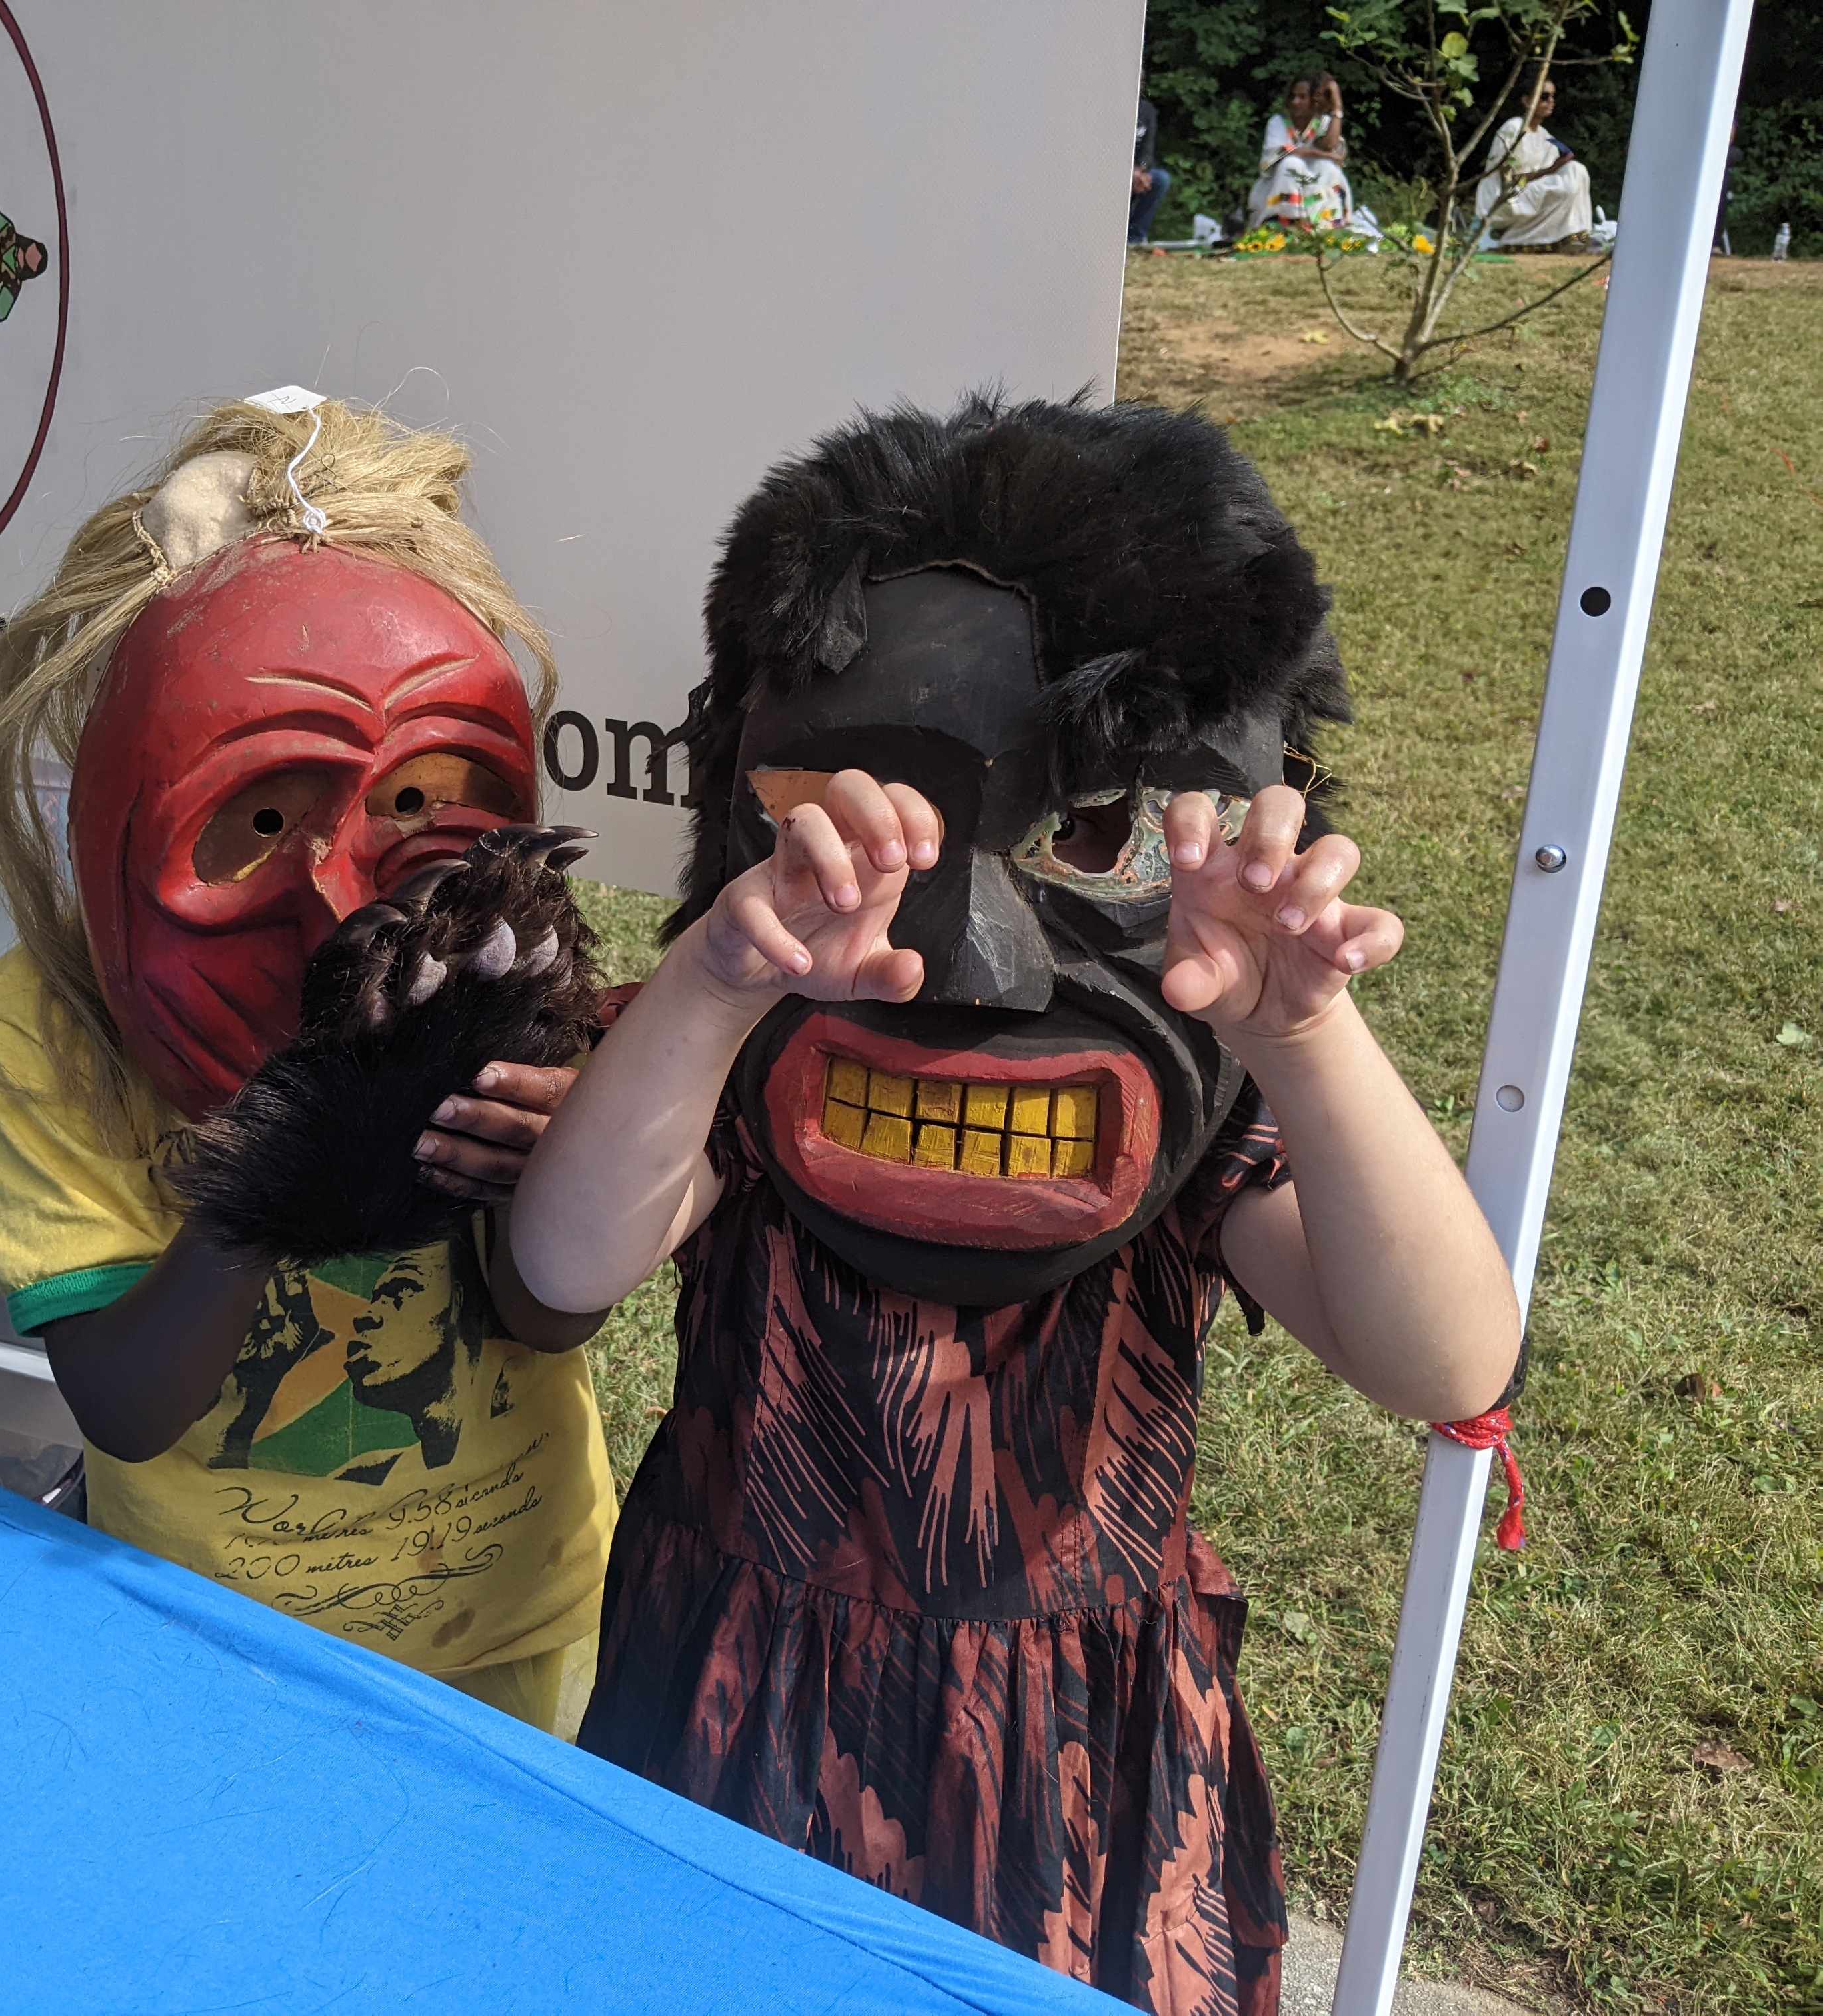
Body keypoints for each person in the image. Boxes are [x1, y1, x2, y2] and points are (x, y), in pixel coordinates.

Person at [509, 397, 1522, 2014]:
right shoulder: (738, 1051)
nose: (976, 972)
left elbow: (1451, 1364)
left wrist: (1304, 1040)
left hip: (1081, 1763)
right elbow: (561, 1267)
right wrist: (709, 990)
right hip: (729, 1706)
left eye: (1103, 834)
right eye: (868, 830)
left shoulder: (1213, 1104)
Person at [0, 400, 617, 1737]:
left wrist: (561, 1173)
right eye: (259, 816)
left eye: (421, 798)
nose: (343, 896)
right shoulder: (54, 1025)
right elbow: (125, 1406)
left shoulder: (494, 972)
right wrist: (279, 1176)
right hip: (215, 1648)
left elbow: (551, 1320)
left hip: (514, 1622)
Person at [1477, 77, 1595, 250]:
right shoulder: (1514, 128)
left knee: (1577, 170)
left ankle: (1575, 235)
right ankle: (1518, 238)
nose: (1551, 101)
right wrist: (1552, 168)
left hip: (1528, 191)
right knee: (1564, 187)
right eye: (1544, 96)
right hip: (1504, 195)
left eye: (1553, 96)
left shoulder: (1545, 136)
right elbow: (1510, 179)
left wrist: (1559, 167)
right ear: (1526, 101)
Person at [1248, 71, 1351, 231]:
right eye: (1293, 96)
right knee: (1291, 164)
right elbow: (1286, 153)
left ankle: (1324, 225)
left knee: (1328, 168)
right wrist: (1321, 154)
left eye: (1302, 97)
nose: (1295, 102)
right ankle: (1285, 224)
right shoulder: (1278, 123)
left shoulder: (1323, 122)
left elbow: (1330, 145)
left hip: (1313, 189)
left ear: (1315, 101)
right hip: (1277, 190)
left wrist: (1337, 107)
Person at [1130, 95, 1172, 244]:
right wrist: (1128, 172)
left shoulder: (1147, 110)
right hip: (1113, 172)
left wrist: (1140, 171)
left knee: (1161, 179)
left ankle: (1136, 236)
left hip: (1138, 173)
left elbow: (1148, 150)